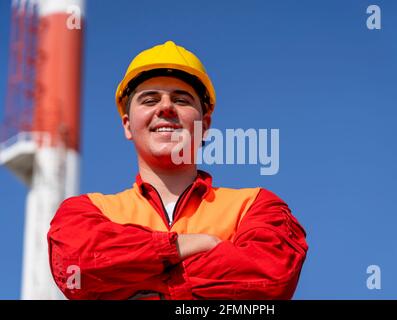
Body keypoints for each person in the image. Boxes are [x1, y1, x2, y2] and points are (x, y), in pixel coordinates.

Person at [47, 40, 308, 300]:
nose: (165, 108)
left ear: (205, 125)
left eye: (181, 100)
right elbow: (76, 264)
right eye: (149, 100)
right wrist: (178, 247)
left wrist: (133, 276)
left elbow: (268, 280)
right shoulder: (85, 212)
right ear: (127, 125)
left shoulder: (255, 205)